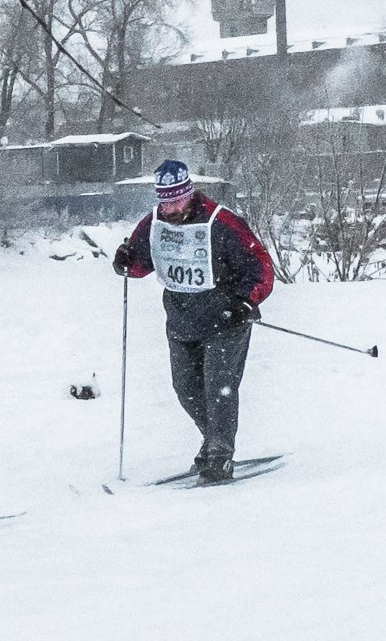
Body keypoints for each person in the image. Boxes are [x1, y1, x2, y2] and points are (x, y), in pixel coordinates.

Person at [112, 159, 275, 482]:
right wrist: (125, 263)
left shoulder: (222, 222)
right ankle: (211, 437)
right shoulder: (154, 223)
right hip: (182, 320)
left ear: (189, 192)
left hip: (226, 319)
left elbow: (261, 267)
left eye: (177, 199)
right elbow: (141, 264)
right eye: (165, 199)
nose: (171, 207)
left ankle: (219, 454)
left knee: (219, 387)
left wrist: (246, 301)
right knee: (185, 387)